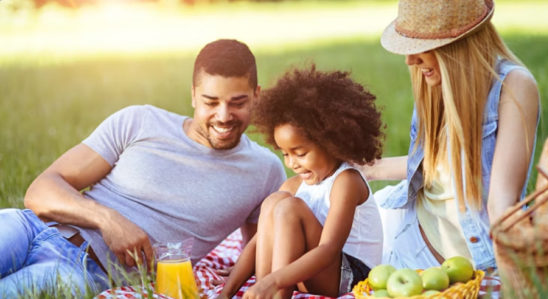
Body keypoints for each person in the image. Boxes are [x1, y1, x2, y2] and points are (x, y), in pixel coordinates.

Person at [0, 39, 286, 297]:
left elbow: (260, 250)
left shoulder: (266, 171)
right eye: (211, 102)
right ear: (193, 95)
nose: (223, 116)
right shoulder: (139, 122)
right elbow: (40, 190)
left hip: (87, 272)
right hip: (29, 228)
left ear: (256, 95)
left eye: (237, 103)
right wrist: (108, 221)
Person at [359, 0, 540, 272]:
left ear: (457, 44)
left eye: (421, 48)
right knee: (309, 214)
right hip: (407, 231)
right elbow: (437, 164)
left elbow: (502, 201)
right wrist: (369, 168)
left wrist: (516, 275)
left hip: (466, 261)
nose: (410, 60)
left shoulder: (513, 87)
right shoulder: (434, 83)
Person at [217, 66, 385, 299]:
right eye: (285, 154)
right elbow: (259, 241)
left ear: (331, 142)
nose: (292, 163)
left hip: (351, 277)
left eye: (300, 152)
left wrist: (274, 281)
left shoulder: (346, 182)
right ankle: (264, 294)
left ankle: (275, 292)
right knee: (275, 201)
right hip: (307, 275)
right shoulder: (294, 185)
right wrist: (226, 293)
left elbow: (328, 250)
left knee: (289, 207)